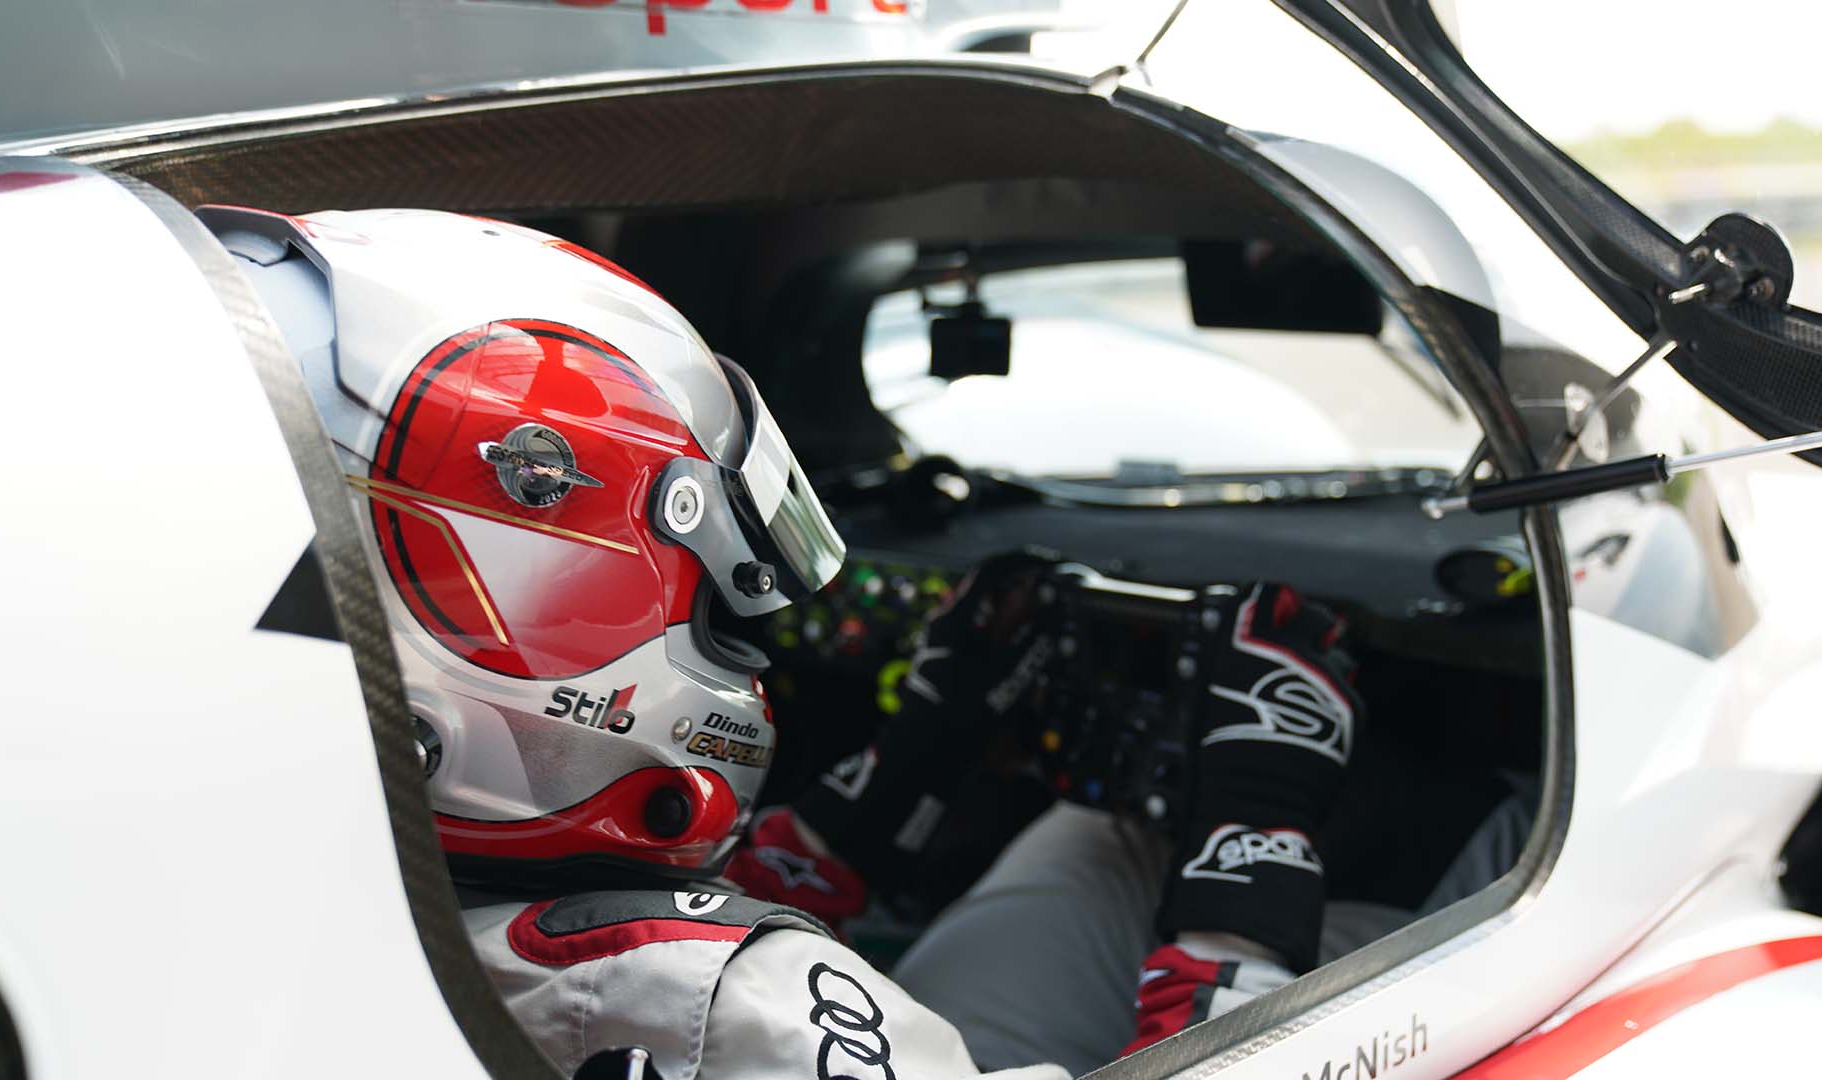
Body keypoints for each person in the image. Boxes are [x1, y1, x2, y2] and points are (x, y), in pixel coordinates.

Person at [211, 205, 1428, 1079]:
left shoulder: (226, 873)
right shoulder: (741, 1008)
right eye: (714, 591)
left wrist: (870, 799)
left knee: (1102, 834)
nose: (743, 630)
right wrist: (1247, 865)